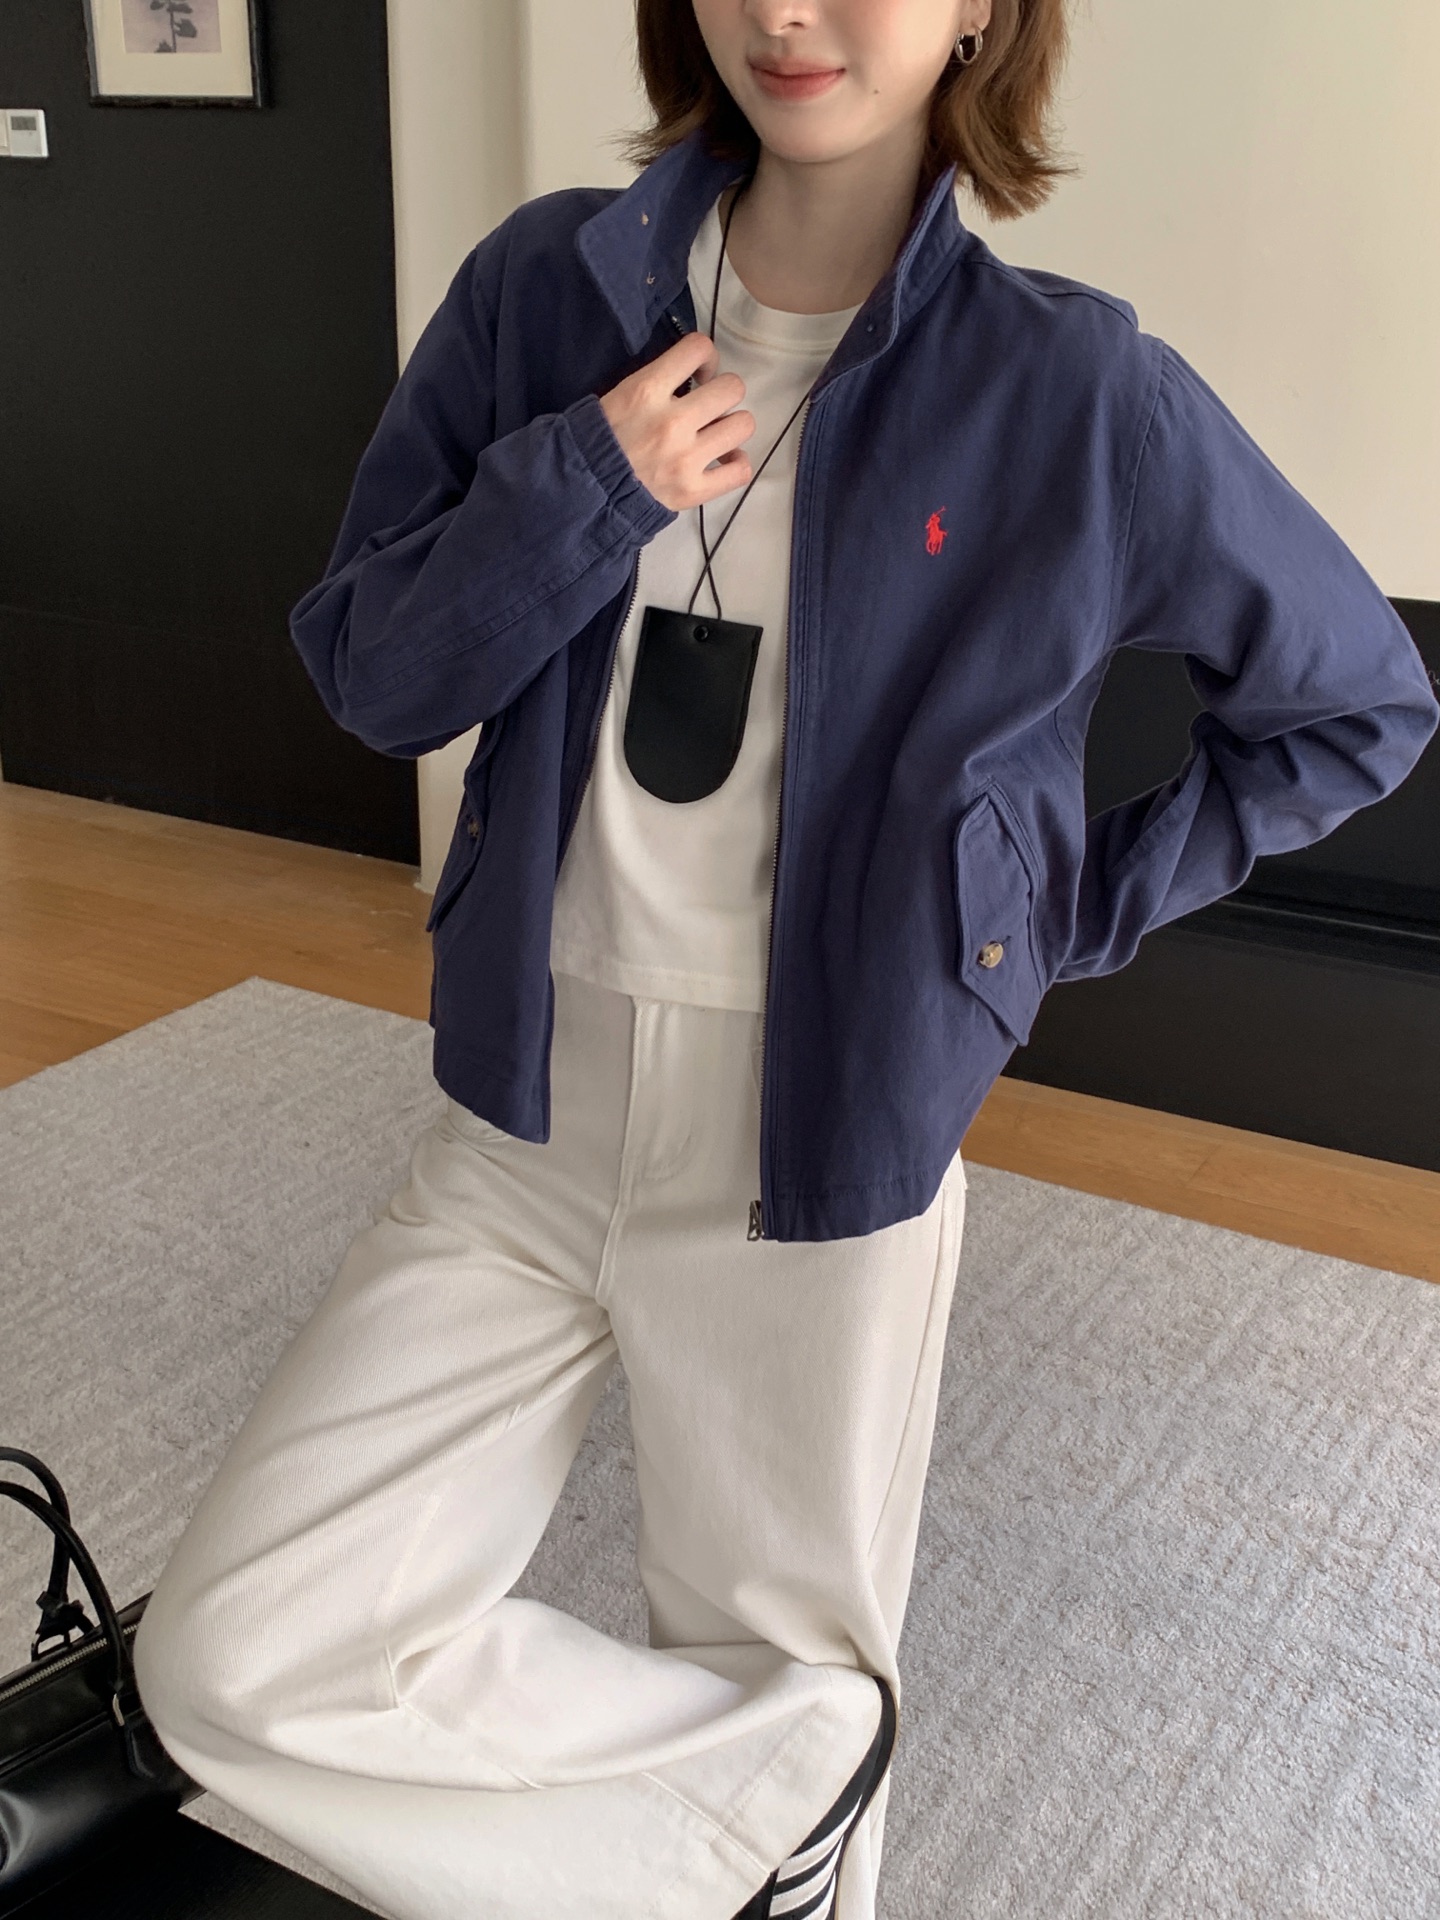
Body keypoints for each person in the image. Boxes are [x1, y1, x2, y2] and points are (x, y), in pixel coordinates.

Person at [132, 2, 1439, 1917]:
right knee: (237, 1658)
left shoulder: (1072, 387)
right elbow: (375, 673)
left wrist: (1031, 918)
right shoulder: (547, 294)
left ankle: (795, 1799)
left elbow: (1354, 705)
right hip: (523, 1114)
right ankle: (795, 1789)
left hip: (818, 1140)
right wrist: (590, 481)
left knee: (771, 1659)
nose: (788, 11)